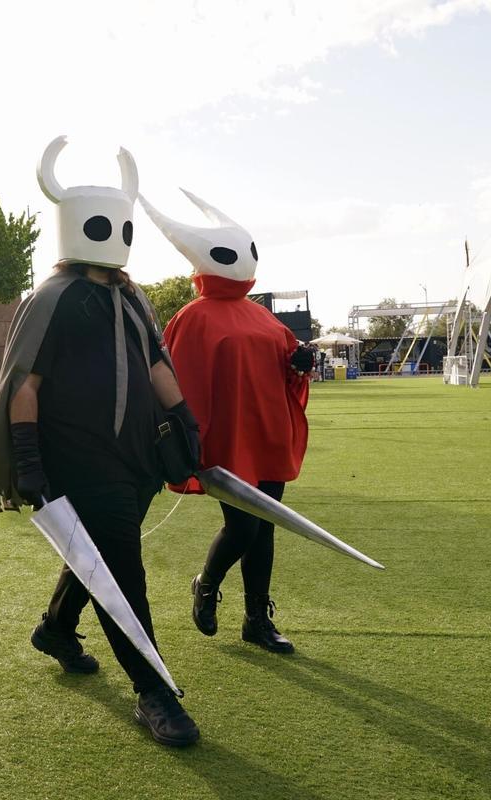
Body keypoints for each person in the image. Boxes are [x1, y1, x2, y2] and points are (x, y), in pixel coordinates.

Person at [0, 137, 200, 747]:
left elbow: (155, 364)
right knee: (123, 570)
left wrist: (184, 420)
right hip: (79, 458)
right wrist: (28, 460)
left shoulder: (131, 296)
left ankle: (56, 627)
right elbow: (26, 383)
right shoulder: (53, 298)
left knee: (97, 549)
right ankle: (153, 692)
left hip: (137, 459)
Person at [141, 188, 311, 655]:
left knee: (266, 525)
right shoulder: (191, 319)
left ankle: (257, 618)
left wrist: (300, 363)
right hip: (230, 442)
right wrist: (190, 441)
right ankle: (206, 583)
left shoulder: (263, 318)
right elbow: (178, 382)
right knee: (245, 527)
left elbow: (287, 371)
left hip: (269, 435)